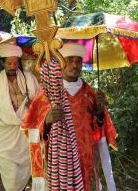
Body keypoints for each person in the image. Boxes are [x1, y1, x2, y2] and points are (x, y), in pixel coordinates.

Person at [22, 43, 118, 191]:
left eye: (78, 61)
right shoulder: (47, 94)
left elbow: (99, 128)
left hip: (85, 158)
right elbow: (32, 129)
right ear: (61, 62)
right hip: (60, 161)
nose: (74, 65)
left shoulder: (90, 93)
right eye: (70, 60)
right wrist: (47, 121)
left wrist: (99, 111)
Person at [0, 42, 39, 191]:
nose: (13, 66)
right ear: (2, 63)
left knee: (27, 172)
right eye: (9, 63)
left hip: (24, 136)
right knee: (12, 177)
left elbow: (40, 102)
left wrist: (32, 106)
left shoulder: (28, 78)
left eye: (15, 63)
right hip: (4, 137)